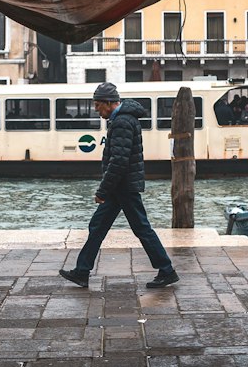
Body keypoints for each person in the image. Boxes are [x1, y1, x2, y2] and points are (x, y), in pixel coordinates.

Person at [60, 82, 178, 289]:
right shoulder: (121, 119)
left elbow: (119, 161)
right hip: (121, 186)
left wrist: (102, 190)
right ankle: (82, 271)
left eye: (98, 105)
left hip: (123, 186)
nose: (96, 110)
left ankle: (166, 270)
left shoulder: (122, 122)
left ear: (108, 103)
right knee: (98, 226)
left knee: (141, 228)